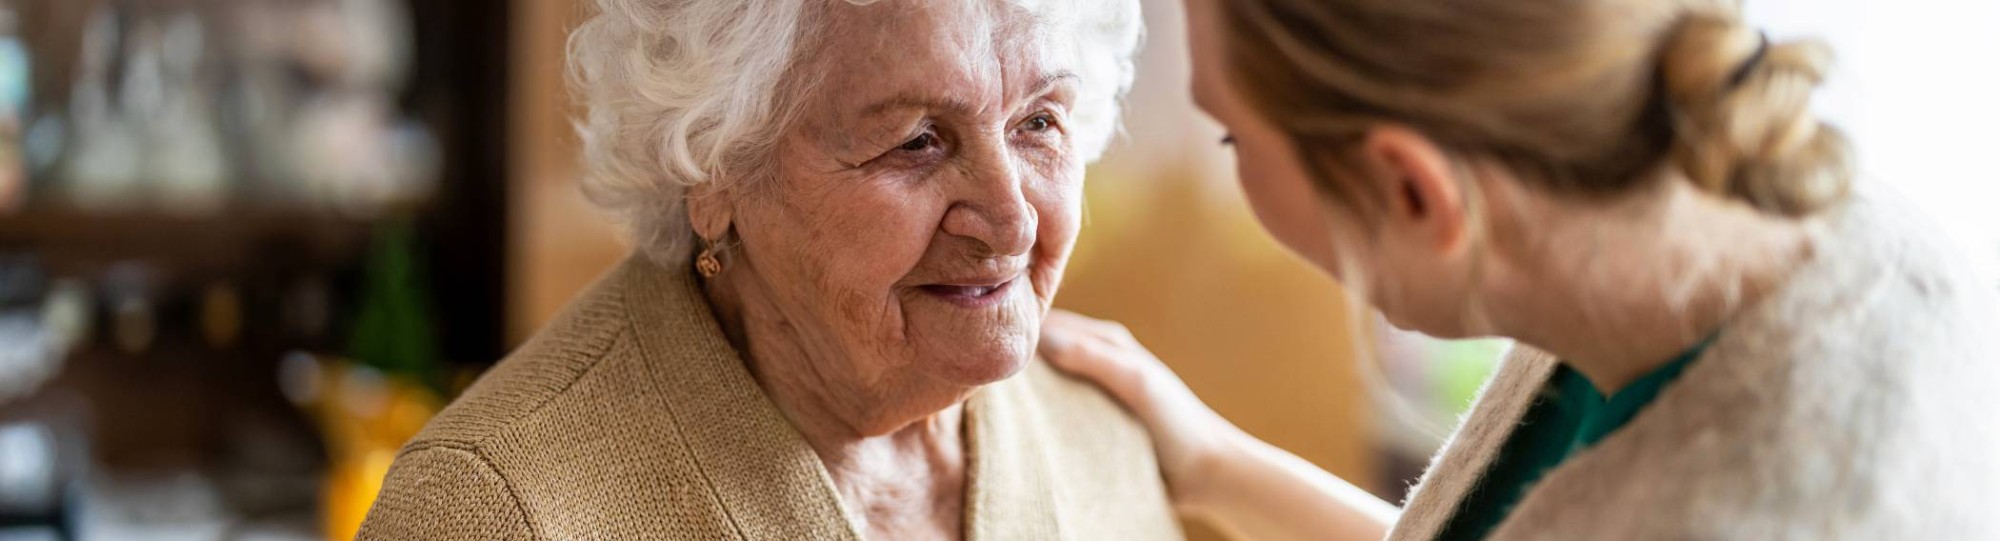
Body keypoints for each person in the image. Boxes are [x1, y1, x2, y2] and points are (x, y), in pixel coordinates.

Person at [1039, 0, 2000, 539]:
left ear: (1411, 193)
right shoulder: (1739, 237)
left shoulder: (1784, 508)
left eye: (1229, 135)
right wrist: (1214, 462)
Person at [356, 1, 1183, 540]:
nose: (1011, 218)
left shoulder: (1107, 432)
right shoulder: (494, 511)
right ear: (715, 171)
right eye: (917, 141)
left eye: (1039, 121)